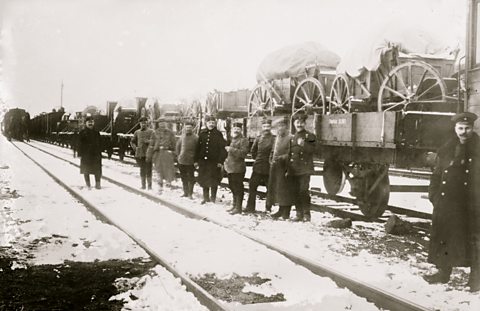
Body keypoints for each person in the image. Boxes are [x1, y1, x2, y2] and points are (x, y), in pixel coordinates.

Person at [424, 112, 480, 292]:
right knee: (444, 237)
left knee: (474, 240)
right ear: (455, 128)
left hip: (471, 204)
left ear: (473, 128)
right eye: (460, 128)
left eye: (467, 128)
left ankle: (476, 279)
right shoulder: (446, 149)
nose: (464, 132)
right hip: (447, 203)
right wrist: (434, 195)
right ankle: (443, 273)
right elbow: (437, 175)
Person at [287, 112, 316, 222]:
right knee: (295, 191)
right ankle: (299, 213)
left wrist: (304, 145)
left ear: (305, 123)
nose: (299, 125)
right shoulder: (293, 137)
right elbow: (290, 154)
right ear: (294, 123)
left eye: (301, 123)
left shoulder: (310, 136)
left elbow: (315, 150)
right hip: (294, 168)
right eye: (297, 122)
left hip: (304, 169)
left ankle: (306, 214)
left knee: (303, 191)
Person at [244, 118, 275, 213]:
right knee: (252, 187)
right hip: (258, 166)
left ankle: (268, 208)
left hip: (269, 167)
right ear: (262, 127)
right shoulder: (258, 138)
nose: (266, 128)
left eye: (268, 126)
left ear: (270, 127)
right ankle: (250, 208)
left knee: (270, 188)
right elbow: (253, 151)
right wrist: (257, 159)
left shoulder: (274, 139)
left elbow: (274, 152)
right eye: (264, 126)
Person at [194, 115, 227, 204]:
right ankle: (205, 198)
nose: (211, 124)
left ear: (215, 124)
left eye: (213, 123)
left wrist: (220, 161)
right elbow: (198, 148)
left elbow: (222, 149)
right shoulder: (202, 134)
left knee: (214, 180)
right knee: (204, 179)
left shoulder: (218, 134)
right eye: (209, 123)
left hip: (214, 162)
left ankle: (213, 198)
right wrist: (196, 160)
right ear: (206, 123)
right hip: (203, 162)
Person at [269, 117, 294, 220]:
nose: (280, 128)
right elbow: (273, 150)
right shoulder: (277, 137)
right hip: (276, 166)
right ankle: (280, 210)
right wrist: (271, 158)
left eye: (282, 126)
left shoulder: (290, 138)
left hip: (286, 167)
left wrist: (281, 158)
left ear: (286, 127)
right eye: (278, 126)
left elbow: (291, 153)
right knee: (278, 189)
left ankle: (286, 212)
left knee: (286, 190)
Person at [224, 121, 250, 215]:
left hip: (238, 168)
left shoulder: (244, 140)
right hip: (230, 167)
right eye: (234, 129)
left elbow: (243, 153)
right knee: (232, 186)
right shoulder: (231, 139)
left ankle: (238, 208)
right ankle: (234, 205)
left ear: (241, 130)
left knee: (238, 187)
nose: (236, 131)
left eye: (238, 129)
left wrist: (231, 149)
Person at [147, 117, 176, 194]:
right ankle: (160, 187)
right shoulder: (154, 133)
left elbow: (174, 144)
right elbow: (151, 144)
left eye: (163, 122)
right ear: (158, 124)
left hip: (167, 154)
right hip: (158, 153)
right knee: (158, 170)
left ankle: (168, 186)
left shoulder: (170, 133)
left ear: (165, 123)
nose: (162, 124)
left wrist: (172, 152)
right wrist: (149, 155)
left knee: (168, 170)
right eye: (160, 123)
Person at [78, 115, 102, 189]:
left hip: (96, 154)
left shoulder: (97, 133)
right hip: (86, 154)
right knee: (86, 170)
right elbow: (79, 144)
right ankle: (88, 184)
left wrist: (100, 152)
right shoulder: (82, 133)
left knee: (97, 170)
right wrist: (80, 153)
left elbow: (100, 143)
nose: (90, 123)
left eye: (92, 122)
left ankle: (97, 184)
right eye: (89, 122)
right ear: (85, 123)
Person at [176, 121, 198, 199]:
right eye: (187, 127)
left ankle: (190, 194)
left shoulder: (196, 138)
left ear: (192, 128)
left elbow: (198, 150)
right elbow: (178, 147)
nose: (188, 129)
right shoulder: (182, 137)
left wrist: (196, 161)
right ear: (184, 128)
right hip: (182, 161)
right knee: (183, 177)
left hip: (191, 161)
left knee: (191, 178)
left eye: (190, 127)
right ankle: (185, 192)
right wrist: (178, 157)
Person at [131, 117, 154, 190]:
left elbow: (155, 141)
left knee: (149, 170)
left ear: (147, 123)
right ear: (139, 124)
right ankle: (143, 185)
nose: (143, 124)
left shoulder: (151, 132)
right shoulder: (137, 132)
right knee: (142, 169)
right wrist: (135, 148)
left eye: (145, 122)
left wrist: (149, 141)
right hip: (140, 154)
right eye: (142, 123)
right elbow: (132, 141)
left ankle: (149, 186)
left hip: (148, 154)